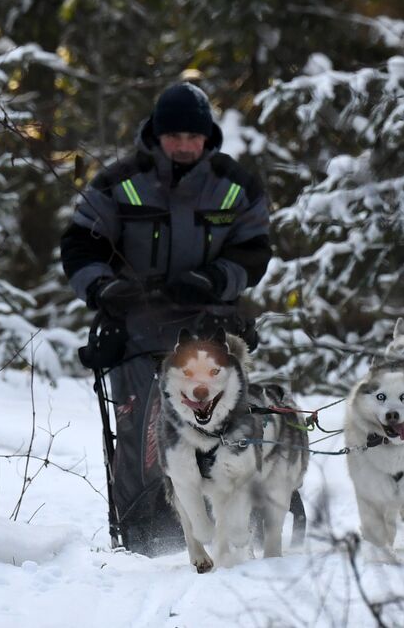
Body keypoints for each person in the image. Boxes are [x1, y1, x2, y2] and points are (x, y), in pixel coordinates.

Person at [61, 81, 271, 555]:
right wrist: (102, 287)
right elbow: (79, 244)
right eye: (173, 135)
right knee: (142, 432)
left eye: (191, 137)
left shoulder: (235, 185)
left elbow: (255, 251)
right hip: (136, 327)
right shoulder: (118, 182)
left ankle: (236, 526)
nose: (182, 145)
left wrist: (214, 279)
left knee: (223, 426)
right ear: (156, 135)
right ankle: (143, 536)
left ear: (207, 138)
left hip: (210, 325)